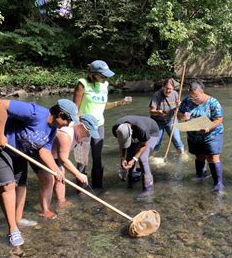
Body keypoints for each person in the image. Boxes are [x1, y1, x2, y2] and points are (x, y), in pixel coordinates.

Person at [0, 99, 79, 246]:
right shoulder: (35, 113)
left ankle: (18, 219)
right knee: (8, 185)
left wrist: (56, 171)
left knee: (21, 184)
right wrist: (0, 134)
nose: (68, 125)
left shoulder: (52, 130)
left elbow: (44, 151)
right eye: (68, 121)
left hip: (16, 150)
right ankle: (13, 230)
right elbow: (2, 104)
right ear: (60, 114)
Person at [73, 60, 132, 190]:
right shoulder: (82, 84)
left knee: (97, 157)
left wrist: (119, 102)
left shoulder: (104, 84)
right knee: (82, 159)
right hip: (83, 125)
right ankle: (81, 189)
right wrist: (77, 126)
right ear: (92, 73)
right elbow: (74, 109)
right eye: (102, 75)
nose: (105, 77)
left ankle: (98, 188)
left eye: (106, 75)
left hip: (99, 125)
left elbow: (102, 105)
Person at [32, 114, 100, 219]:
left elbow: (62, 158)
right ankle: (45, 211)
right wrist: (78, 174)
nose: (88, 136)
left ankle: (61, 201)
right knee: (48, 180)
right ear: (81, 126)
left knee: (61, 174)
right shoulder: (66, 135)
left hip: (53, 153)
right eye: (88, 132)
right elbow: (63, 159)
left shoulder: (78, 133)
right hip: (39, 150)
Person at [178, 81, 225, 192]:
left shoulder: (213, 102)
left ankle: (218, 184)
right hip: (194, 134)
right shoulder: (187, 101)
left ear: (202, 92)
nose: (193, 99)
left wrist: (208, 128)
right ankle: (200, 177)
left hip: (211, 134)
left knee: (212, 157)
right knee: (199, 156)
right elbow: (179, 114)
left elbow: (219, 119)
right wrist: (182, 116)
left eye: (196, 96)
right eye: (192, 96)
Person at [112, 116, 159, 197]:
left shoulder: (141, 129)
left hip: (151, 131)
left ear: (131, 132)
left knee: (142, 158)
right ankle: (133, 176)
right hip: (135, 131)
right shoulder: (116, 128)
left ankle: (148, 189)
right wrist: (122, 158)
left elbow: (144, 145)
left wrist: (134, 159)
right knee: (129, 156)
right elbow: (122, 143)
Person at [149, 78, 185, 155]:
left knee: (177, 139)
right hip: (157, 121)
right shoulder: (157, 95)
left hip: (171, 119)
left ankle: (182, 155)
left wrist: (179, 105)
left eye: (170, 89)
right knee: (156, 142)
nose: (168, 91)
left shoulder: (175, 94)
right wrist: (158, 112)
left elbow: (179, 110)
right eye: (167, 88)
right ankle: (153, 158)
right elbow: (151, 111)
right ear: (163, 87)